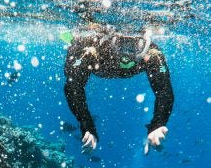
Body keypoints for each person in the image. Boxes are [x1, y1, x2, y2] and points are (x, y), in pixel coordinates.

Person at [62, 26, 174, 155]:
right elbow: (73, 86)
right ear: (111, 41)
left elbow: (164, 90)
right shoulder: (93, 49)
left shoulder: (152, 54)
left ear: (146, 43)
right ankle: (71, 38)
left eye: (135, 45)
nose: (126, 54)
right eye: (120, 44)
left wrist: (158, 124)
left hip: (102, 67)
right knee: (71, 68)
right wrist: (87, 126)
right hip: (93, 60)